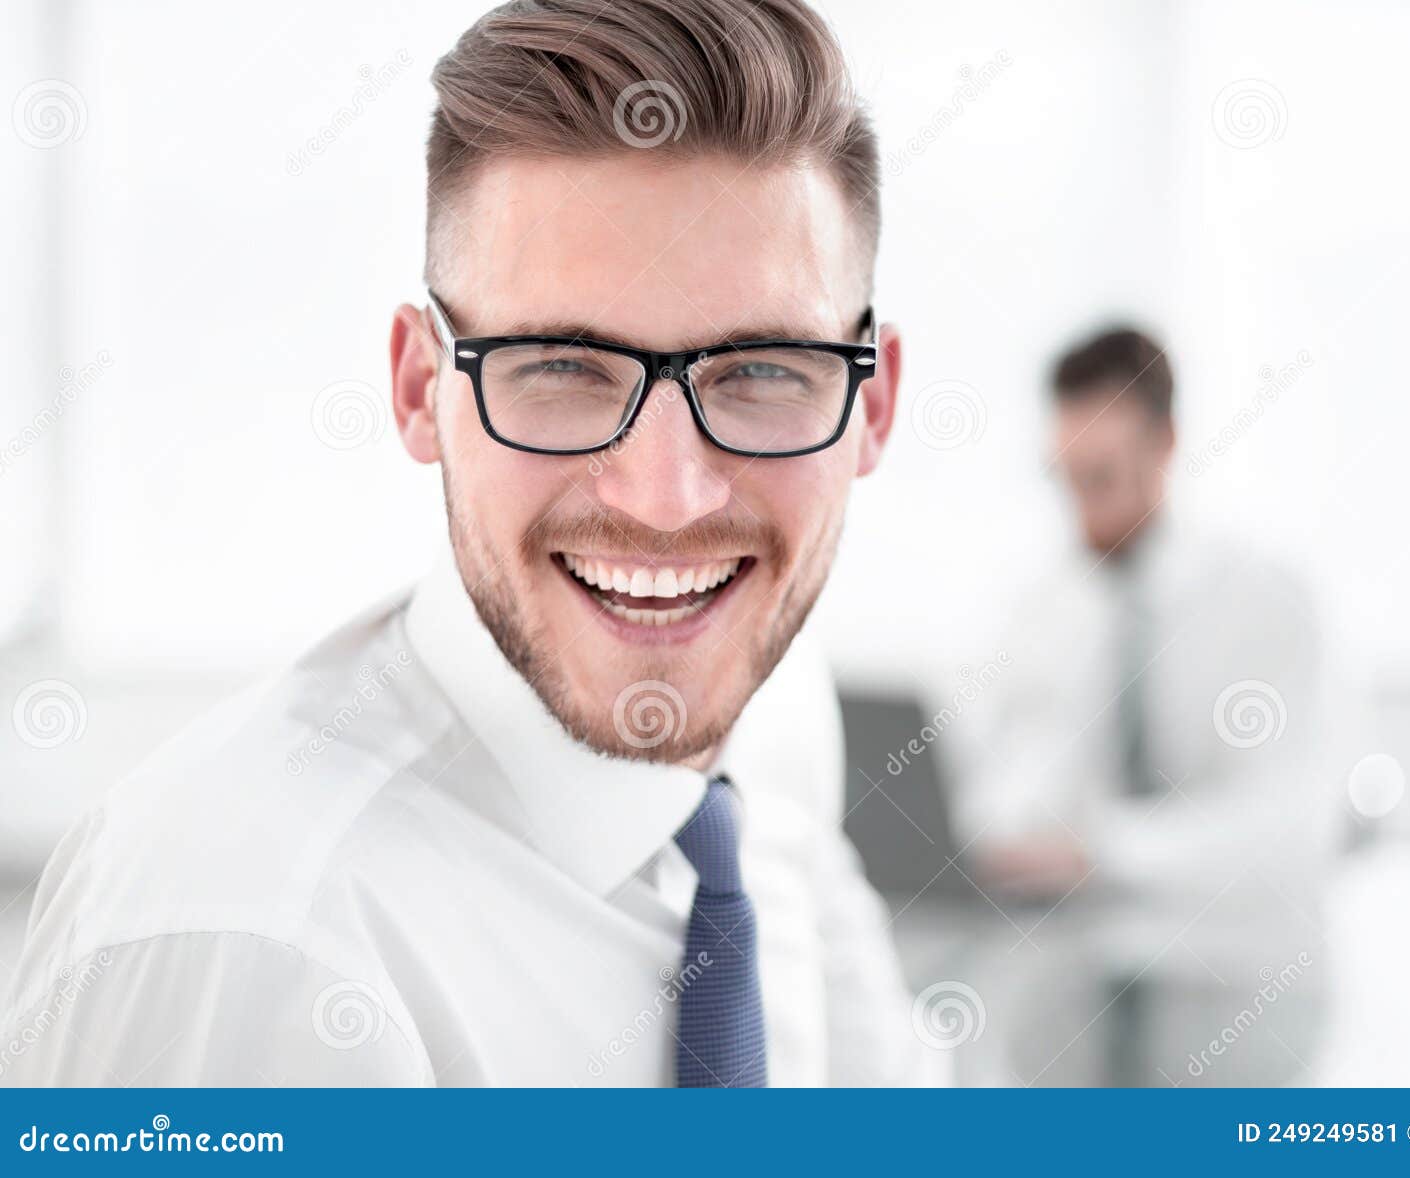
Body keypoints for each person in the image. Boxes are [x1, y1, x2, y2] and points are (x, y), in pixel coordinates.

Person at [0, 0, 928, 1088]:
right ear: (417, 389)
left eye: (764, 369)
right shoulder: (249, 940)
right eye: (564, 367)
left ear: (874, 406)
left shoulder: (775, 726)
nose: (668, 496)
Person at [953, 327, 1342, 1085]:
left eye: (1101, 477)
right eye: (1064, 478)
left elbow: (1293, 826)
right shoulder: (1035, 609)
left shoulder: (1268, 602)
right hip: (1065, 996)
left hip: (1249, 999)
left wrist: (1101, 849)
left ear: (1165, 444)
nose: (1080, 509)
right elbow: (991, 798)